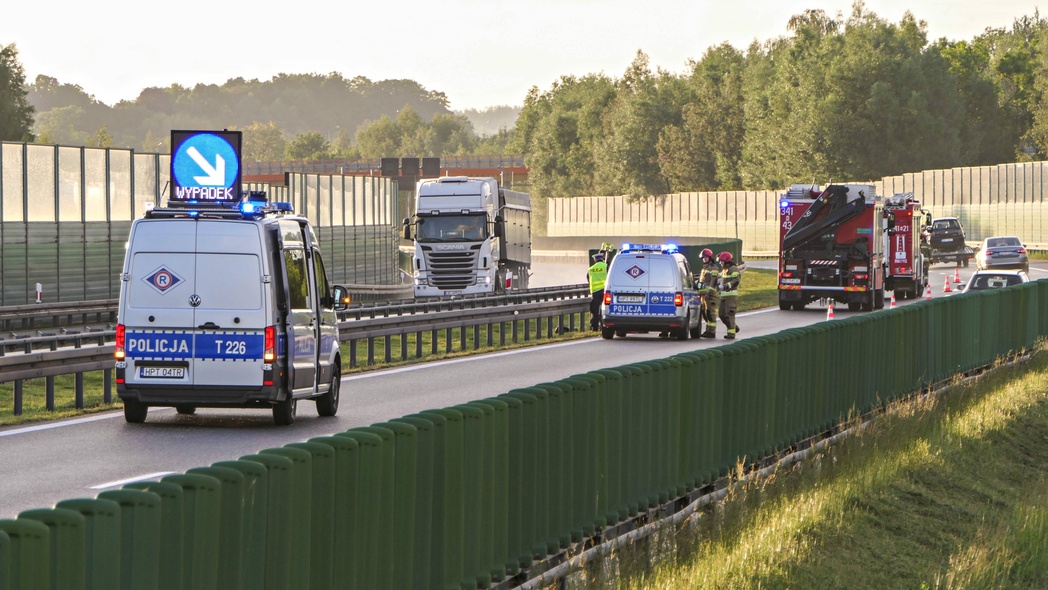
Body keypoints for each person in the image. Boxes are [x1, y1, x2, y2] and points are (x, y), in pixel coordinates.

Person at [717, 251, 742, 339]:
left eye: (721, 261)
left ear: (726, 260)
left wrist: (727, 286)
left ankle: (731, 333)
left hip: (731, 296)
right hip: (723, 296)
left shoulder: (733, 269)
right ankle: (734, 327)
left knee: (729, 314)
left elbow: (736, 281)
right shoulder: (724, 270)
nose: (720, 263)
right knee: (721, 314)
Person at [697, 248, 720, 338]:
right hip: (703, 295)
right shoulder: (704, 268)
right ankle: (708, 330)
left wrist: (709, 293)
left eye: (706, 257)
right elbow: (702, 282)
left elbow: (713, 283)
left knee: (710, 313)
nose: (704, 259)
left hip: (710, 295)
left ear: (710, 258)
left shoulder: (713, 268)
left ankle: (712, 331)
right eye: (703, 257)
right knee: (705, 313)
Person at [587, 251, 608, 331]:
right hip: (605, 291)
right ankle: (604, 325)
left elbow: (588, 280)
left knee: (595, 310)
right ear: (602, 258)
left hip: (595, 292)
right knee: (605, 308)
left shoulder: (590, 269)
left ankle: (594, 327)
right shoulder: (606, 266)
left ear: (595, 260)